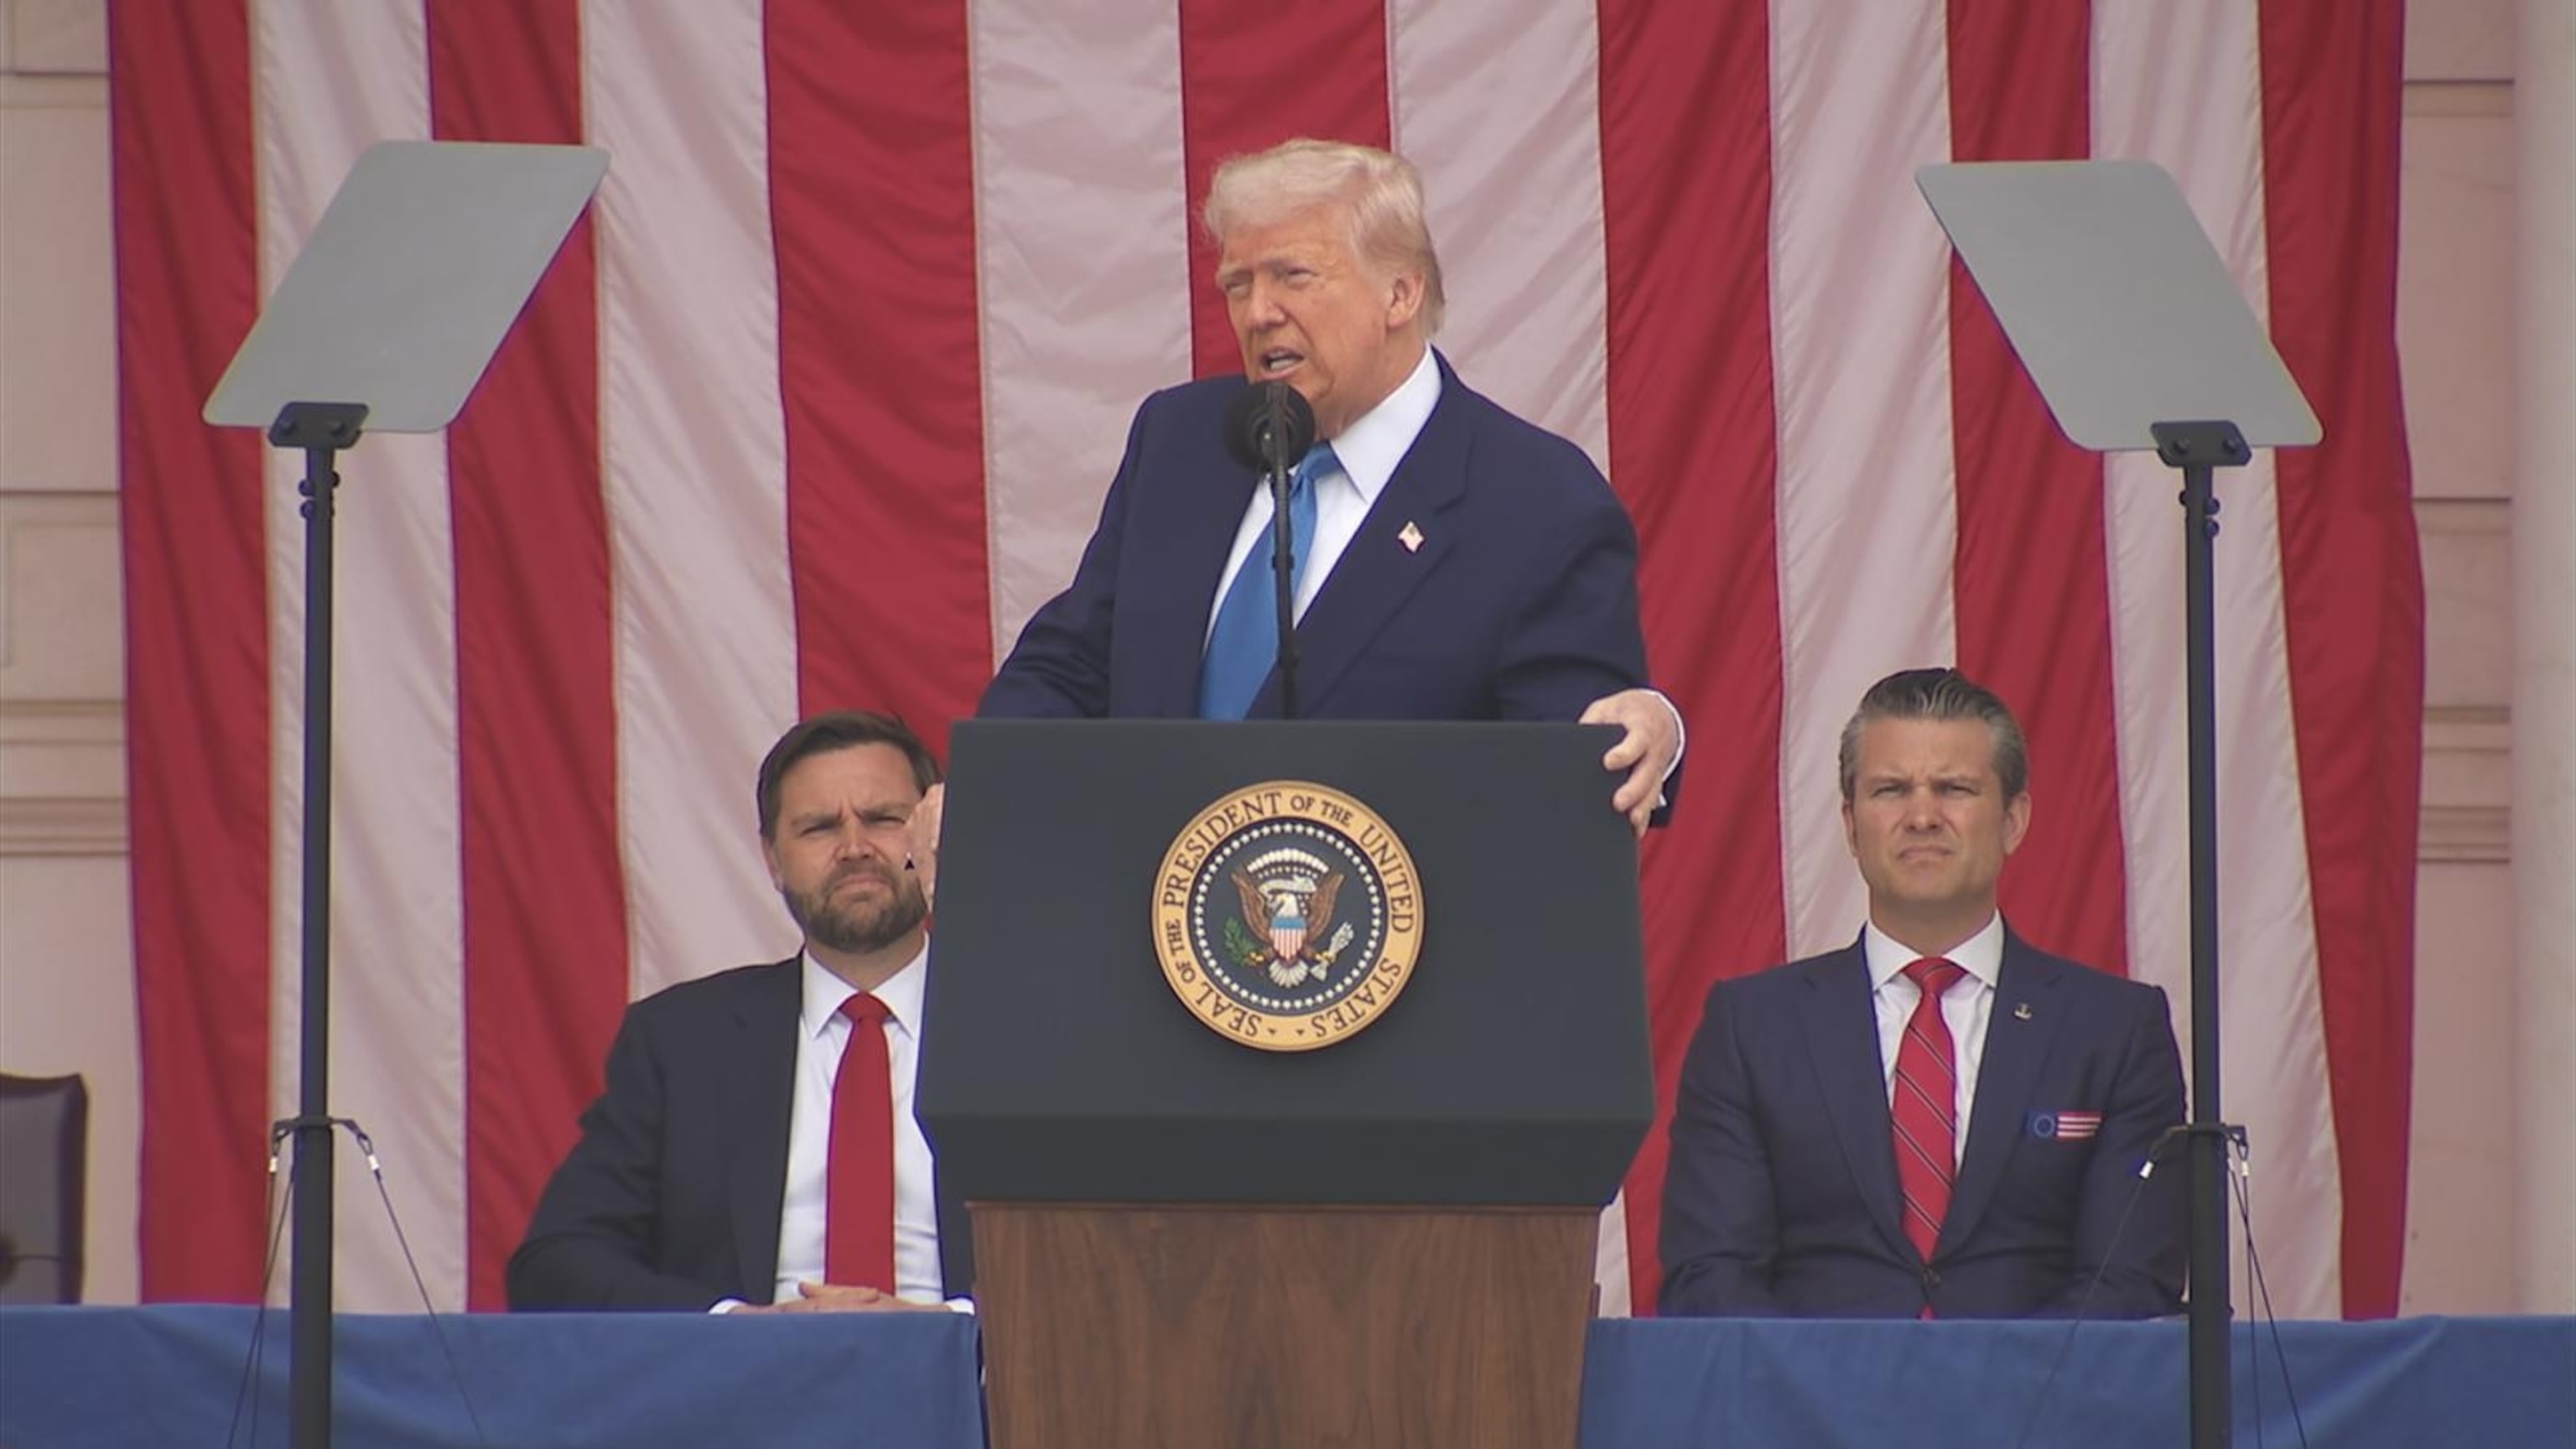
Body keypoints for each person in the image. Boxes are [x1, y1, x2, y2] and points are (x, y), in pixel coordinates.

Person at [975, 138, 1680, 834]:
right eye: (1238, 285)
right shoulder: (1179, 443)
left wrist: (1656, 730)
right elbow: (1071, 666)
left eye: (1293, 276)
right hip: (1142, 895)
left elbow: (1580, 765)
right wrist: (985, 792)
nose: (1258, 313)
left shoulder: (1537, 503)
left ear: (1400, 293)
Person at [1659, 668, 2185, 1319]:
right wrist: (1832, 1385)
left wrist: (1998, 1382)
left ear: (2014, 820)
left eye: (1954, 789)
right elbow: (1711, 1278)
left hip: (2045, 1385)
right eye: (1891, 790)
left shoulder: (2114, 1030)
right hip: (1807, 1386)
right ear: (1851, 825)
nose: (1922, 817)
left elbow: (2128, 1284)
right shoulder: (1751, 1028)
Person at [508, 711, 966, 1312]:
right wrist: (737, 1329)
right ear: (773, 860)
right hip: (747, 1368)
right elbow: (557, 1264)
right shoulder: (681, 1043)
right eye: (819, 828)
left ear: (932, 838)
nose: (855, 848)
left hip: (971, 1367)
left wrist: (957, 1326)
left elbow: (1088, 1252)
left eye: (883, 819)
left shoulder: (1024, 1034)